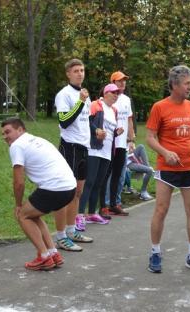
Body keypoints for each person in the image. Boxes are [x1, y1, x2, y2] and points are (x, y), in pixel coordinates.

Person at [146, 65, 190, 275]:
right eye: (187, 83)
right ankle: (155, 252)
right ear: (174, 85)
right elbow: (150, 138)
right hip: (167, 168)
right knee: (161, 210)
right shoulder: (159, 107)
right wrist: (165, 153)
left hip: (189, 167)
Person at [1, 117, 76, 271]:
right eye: (3, 134)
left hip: (55, 187)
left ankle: (44, 257)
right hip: (70, 187)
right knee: (33, 214)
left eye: (8, 132)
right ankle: (53, 253)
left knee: (23, 215)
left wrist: (18, 204)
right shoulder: (36, 139)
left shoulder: (17, 146)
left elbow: (18, 182)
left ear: (20, 130)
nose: (5, 136)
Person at [54, 58, 94, 251]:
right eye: (76, 70)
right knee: (65, 193)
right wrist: (80, 103)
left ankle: (71, 230)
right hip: (69, 147)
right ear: (68, 74)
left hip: (84, 148)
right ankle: (60, 236)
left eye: (82, 70)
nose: (80, 73)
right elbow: (64, 121)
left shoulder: (85, 95)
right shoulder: (64, 95)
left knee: (77, 192)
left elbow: (86, 121)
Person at [77, 84, 124, 228]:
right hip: (94, 149)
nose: (116, 95)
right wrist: (96, 130)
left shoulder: (114, 110)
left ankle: (91, 213)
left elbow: (108, 132)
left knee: (98, 183)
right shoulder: (96, 104)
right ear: (106, 92)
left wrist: (116, 133)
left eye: (118, 93)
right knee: (89, 182)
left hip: (107, 151)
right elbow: (87, 121)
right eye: (113, 93)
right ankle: (79, 215)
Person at [100, 71, 136, 217]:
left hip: (122, 143)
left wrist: (132, 139)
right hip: (109, 143)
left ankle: (115, 203)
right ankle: (104, 205)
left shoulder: (126, 99)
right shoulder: (106, 99)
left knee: (119, 176)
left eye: (124, 81)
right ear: (112, 82)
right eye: (119, 81)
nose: (122, 83)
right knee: (106, 175)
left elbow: (129, 120)